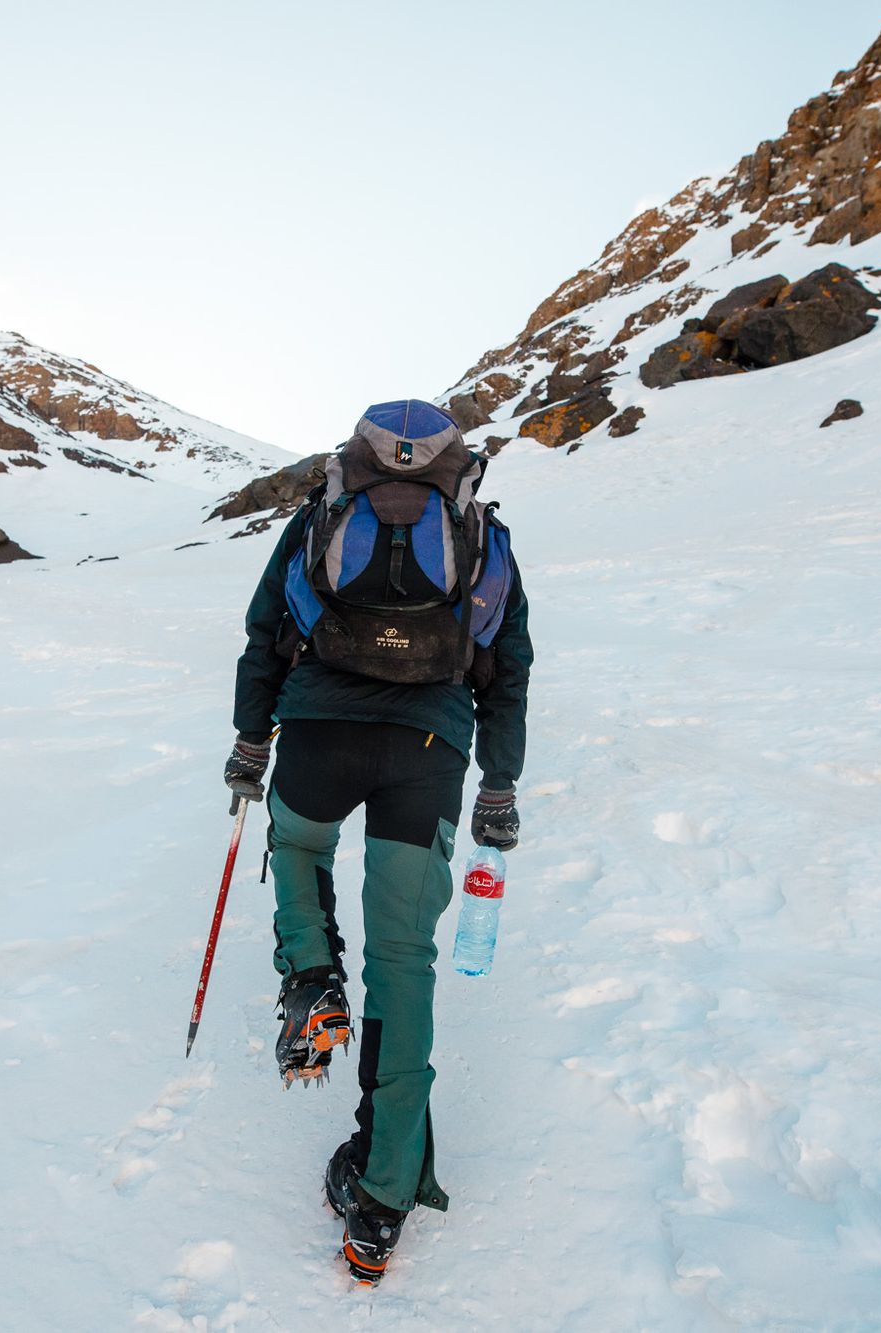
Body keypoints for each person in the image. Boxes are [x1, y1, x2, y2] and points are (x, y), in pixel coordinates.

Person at [226, 398, 531, 1284]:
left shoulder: (322, 511)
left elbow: (264, 631)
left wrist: (253, 740)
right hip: (429, 749)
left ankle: (311, 979)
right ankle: (381, 1198)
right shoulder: (480, 532)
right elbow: (507, 665)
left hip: (319, 728)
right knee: (404, 961)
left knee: (299, 842)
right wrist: (499, 784)